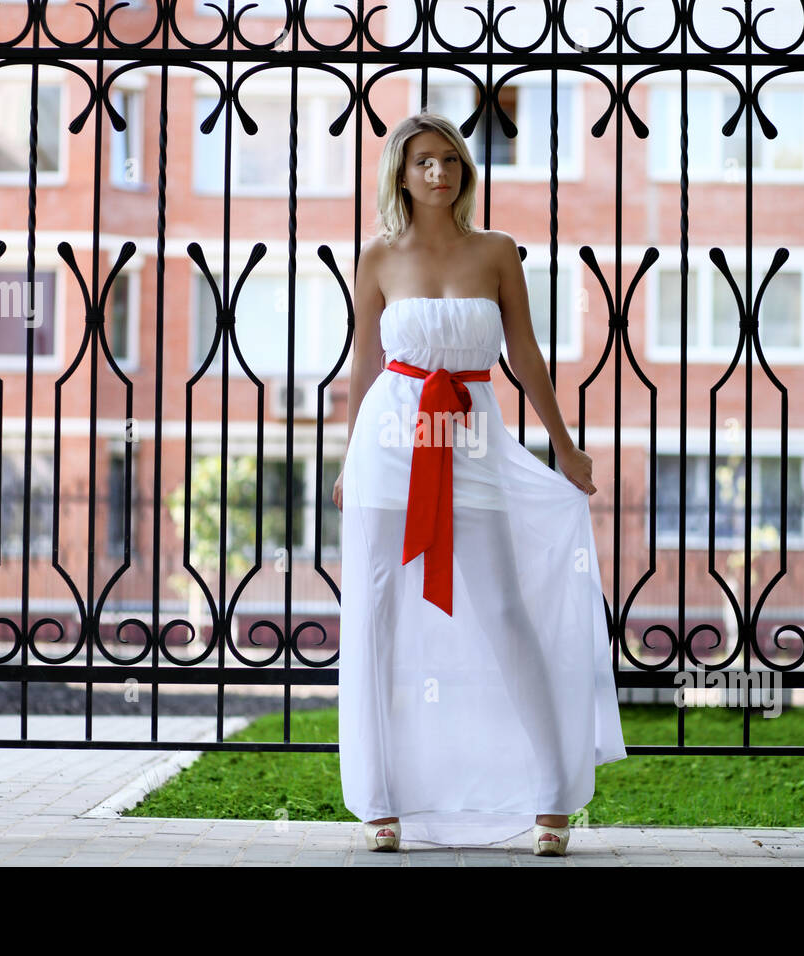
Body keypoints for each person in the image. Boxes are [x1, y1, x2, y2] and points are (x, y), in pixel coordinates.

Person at [333, 110, 627, 856]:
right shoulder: (375, 258)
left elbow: (523, 355)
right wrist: (344, 458)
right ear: (399, 173)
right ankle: (379, 802)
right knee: (376, 620)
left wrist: (564, 444)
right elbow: (364, 368)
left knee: (503, 611)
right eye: (424, 162)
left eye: (451, 161)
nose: (439, 173)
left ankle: (554, 799)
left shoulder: (497, 251)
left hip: (470, 441)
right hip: (389, 449)